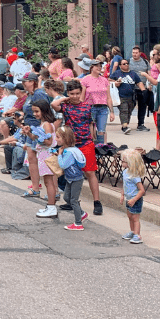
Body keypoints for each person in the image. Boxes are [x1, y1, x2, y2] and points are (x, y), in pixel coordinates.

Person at [51, 80, 105, 215]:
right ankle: (72, 201)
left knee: (90, 172)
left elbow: (91, 123)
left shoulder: (87, 106)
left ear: (81, 93)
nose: (75, 96)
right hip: (71, 145)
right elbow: (53, 104)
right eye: (72, 93)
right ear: (68, 93)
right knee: (71, 173)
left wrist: (93, 139)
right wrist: (66, 98)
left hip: (86, 142)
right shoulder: (65, 107)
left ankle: (97, 202)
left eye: (77, 93)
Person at [55, 126, 88, 230]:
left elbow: (63, 165)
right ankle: (82, 213)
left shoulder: (68, 152)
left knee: (73, 200)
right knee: (66, 198)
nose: (56, 139)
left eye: (58, 137)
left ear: (65, 139)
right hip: (71, 178)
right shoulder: (72, 150)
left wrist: (59, 155)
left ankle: (78, 223)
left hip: (75, 179)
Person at [79, 60, 114, 143]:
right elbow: (82, 97)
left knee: (101, 130)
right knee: (91, 131)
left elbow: (108, 97)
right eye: (96, 66)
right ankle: (92, 147)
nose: (99, 68)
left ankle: (100, 149)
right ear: (91, 67)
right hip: (90, 107)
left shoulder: (104, 80)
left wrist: (112, 111)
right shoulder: (85, 79)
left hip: (103, 107)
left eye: (100, 66)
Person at [119, 149, 146, 243]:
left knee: (135, 218)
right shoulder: (125, 172)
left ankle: (137, 235)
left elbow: (142, 190)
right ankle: (132, 231)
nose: (122, 163)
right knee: (130, 216)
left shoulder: (134, 176)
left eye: (124, 161)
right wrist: (122, 195)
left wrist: (134, 199)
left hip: (135, 199)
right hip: (128, 198)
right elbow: (124, 185)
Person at [110, 57, 141, 135]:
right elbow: (109, 80)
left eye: (127, 63)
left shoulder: (133, 73)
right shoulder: (117, 73)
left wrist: (144, 91)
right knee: (124, 110)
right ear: (120, 65)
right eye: (124, 64)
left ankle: (125, 124)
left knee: (129, 111)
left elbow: (139, 82)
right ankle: (124, 127)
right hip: (121, 96)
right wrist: (116, 82)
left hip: (131, 96)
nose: (126, 65)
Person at [127, 45, 152, 130]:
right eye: (133, 53)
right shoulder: (128, 61)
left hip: (143, 88)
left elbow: (149, 74)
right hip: (131, 88)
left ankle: (140, 124)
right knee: (130, 105)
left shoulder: (145, 62)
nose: (134, 54)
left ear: (140, 53)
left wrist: (150, 85)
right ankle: (125, 123)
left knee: (142, 106)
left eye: (136, 53)